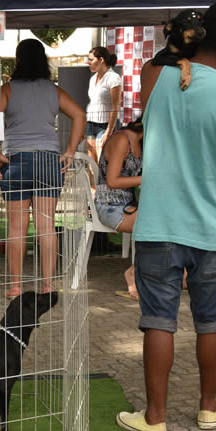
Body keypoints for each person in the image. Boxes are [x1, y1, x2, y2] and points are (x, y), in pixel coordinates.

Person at [116, 0, 216, 431]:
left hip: (158, 221)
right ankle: (208, 407)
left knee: (158, 320)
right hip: (212, 226)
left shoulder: (154, 75)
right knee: (213, 321)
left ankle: (155, 417)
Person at [0, 39, 86, 297]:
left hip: (16, 159)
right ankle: (48, 286)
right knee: (46, 225)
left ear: (18, 59)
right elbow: (79, 115)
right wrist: (70, 150)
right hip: (49, 160)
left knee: (16, 227)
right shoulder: (54, 90)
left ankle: (15, 286)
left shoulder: (7, 89)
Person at [93, 118, 143, 298]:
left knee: (173, 218)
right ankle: (134, 272)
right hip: (109, 206)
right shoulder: (122, 139)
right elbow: (112, 182)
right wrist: (147, 178)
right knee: (158, 224)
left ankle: (181, 274)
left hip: (128, 204)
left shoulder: (142, 144)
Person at [86, 46, 122, 162]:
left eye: (91, 60)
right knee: (91, 162)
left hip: (106, 125)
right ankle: (92, 176)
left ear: (101, 60)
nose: (88, 62)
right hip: (91, 123)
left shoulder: (113, 78)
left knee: (102, 161)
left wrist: (108, 131)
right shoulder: (92, 79)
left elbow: (115, 106)